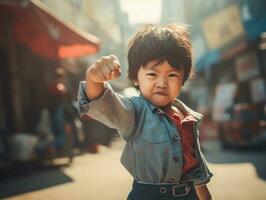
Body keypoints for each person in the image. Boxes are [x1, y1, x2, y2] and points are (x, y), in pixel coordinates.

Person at [78, 23, 214, 200]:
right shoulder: (135, 111)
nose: (162, 83)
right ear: (135, 77)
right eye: (152, 74)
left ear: (183, 80)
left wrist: (204, 195)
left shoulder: (187, 116)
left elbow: (194, 165)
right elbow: (106, 104)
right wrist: (93, 78)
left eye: (172, 75)